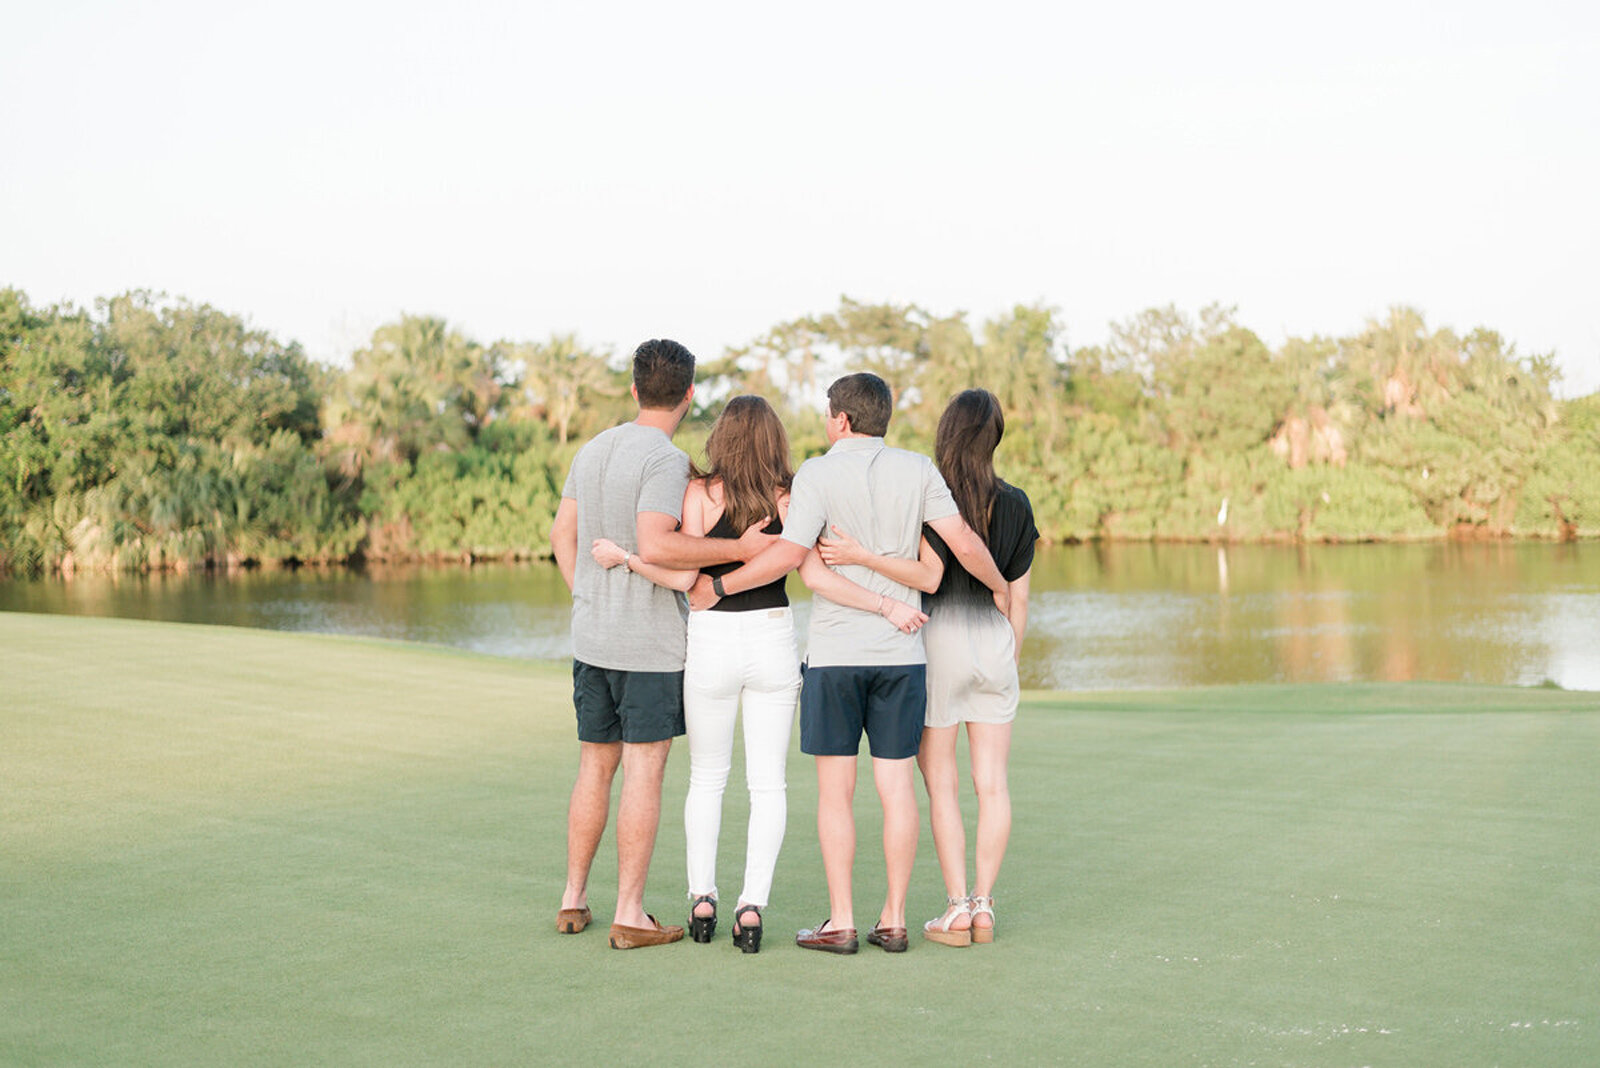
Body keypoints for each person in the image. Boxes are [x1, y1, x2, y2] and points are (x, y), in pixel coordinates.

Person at [593, 395, 936, 954]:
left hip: (710, 638)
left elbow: (684, 575)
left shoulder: (700, 493)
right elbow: (802, 566)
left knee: (706, 777)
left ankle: (703, 898)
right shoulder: (791, 493)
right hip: (773, 637)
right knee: (767, 783)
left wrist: (637, 562)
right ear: (775, 440)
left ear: (720, 438)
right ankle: (751, 908)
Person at [690, 373, 1009, 955]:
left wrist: (721, 586)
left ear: (841, 420)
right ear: (882, 417)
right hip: (902, 657)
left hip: (836, 659)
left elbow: (792, 559)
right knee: (896, 789)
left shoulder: (815, 472)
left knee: (836, 793)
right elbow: (962, 540)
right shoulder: (917, 469)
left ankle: (840, 922)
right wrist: (999, 589)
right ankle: (893, 919)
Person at [549, 340, 774, 951]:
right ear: (689, 393)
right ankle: (629, 913)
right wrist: (740, 549)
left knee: (595, 768)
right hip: (647, 647)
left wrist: (586, 598)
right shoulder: (667, 459)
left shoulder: (593, 448)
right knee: (644, 773)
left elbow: (561, 534)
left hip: (592, 640)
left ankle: (573, 899)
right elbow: (658, 544)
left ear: (634, 389)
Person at [821, 389, 1036, 946]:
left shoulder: (930, 490)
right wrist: (1005, 653)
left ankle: (957, 907)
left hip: (936, 642)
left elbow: (927, 571)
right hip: (995, 643)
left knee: (941, 785)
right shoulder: (1018, 503)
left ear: (946, 433)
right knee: (992, 784)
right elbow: (1019, 599)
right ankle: (985, 907)